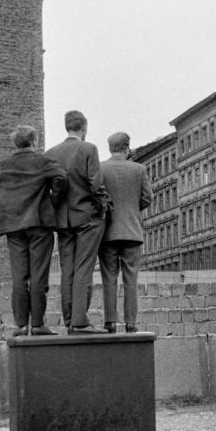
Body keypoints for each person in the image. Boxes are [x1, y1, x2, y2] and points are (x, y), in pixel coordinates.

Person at [0, 125, 66, 337]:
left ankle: (20, 325)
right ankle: (37, 324)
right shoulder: (43, 162)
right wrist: (51, 200)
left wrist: (7, 204)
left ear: (15, 143)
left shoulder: (2, 166)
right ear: (34, 141)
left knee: (19, 276)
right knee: (38, 276)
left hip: (14, 227)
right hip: (39, 223)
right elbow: (61, 178)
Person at [45, 111, 111, 334]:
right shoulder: (88, 149)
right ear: (84, 127)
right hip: (87, 218)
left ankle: (69, 319)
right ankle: (81, 321)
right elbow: (96, 185)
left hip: (63, 220)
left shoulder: (51, 153)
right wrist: (102, 209)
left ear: (66, 127)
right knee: (84, 268)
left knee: (68, 270)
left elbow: (52, 187)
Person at [97, 132, 152, 333]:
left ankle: (110, 322)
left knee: (109, 278)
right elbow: (147, 197)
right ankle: (130, 322)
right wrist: (131, 208)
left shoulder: (100, 168)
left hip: (108, 232)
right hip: (132, 232)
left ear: (110, 148)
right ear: (127, 148)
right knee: (131, 279)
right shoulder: (139, 169)